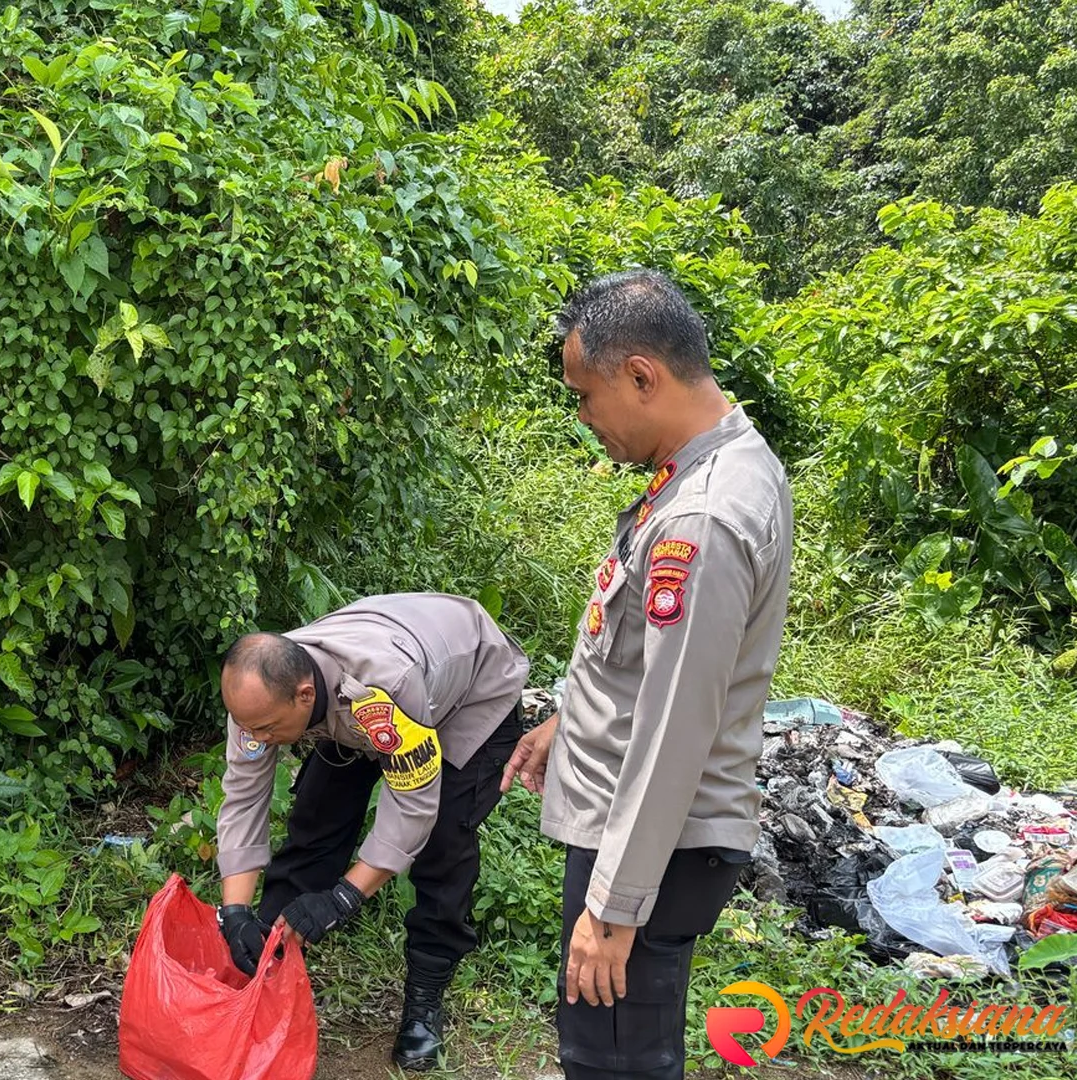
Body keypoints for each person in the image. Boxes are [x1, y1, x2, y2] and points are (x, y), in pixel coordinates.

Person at [500, 270, 793, 1080]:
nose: (586, 419)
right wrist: (573, 714)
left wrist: (613, 907)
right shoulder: (724, 456)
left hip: (649, 849)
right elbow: (656, 667)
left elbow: (673, 730)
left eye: (586, 396)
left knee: (614, 1057)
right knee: (620, 1044)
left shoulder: (701, 520)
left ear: (641, 376)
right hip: (646, 836)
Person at [213, 593, 530, 1071]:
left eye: (267, 728)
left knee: (444, 841)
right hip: (385, 682)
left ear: (304, 695)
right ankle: (266, 963)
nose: (256, 738)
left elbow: (413, 809)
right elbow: (243, 798)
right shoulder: (259, 697)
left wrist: (343, 898)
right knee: (316, 818)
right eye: (248, 728)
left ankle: (424, 999)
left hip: (470, 692)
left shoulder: (380, 691)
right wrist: (235, 911)